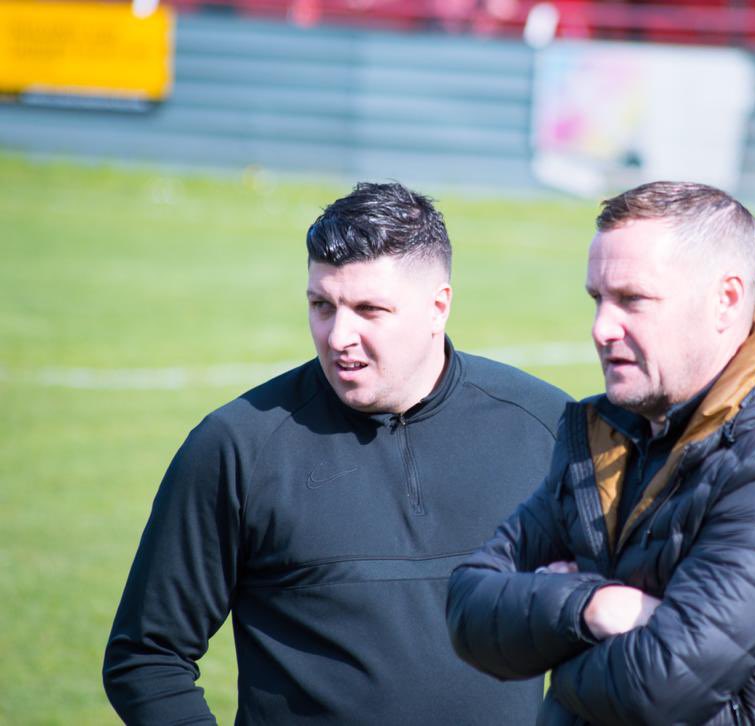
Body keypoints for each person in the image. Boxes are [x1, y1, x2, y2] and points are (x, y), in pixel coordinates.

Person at [103, 182, 570, 724]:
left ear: (438, 306)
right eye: (322, 305)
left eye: (369, 309)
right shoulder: (236, 446)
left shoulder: (548, 427)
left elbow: (614, 625)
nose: (338, 336)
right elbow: (148, 656)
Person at [447, 181, 755, 725]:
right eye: (597, 299)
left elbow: (660, 687)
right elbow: (468, 606)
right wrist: (594, 607)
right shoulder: (606, 436)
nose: (602, 328)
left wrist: (550, 635)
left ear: (726, 300)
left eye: (633, 299)